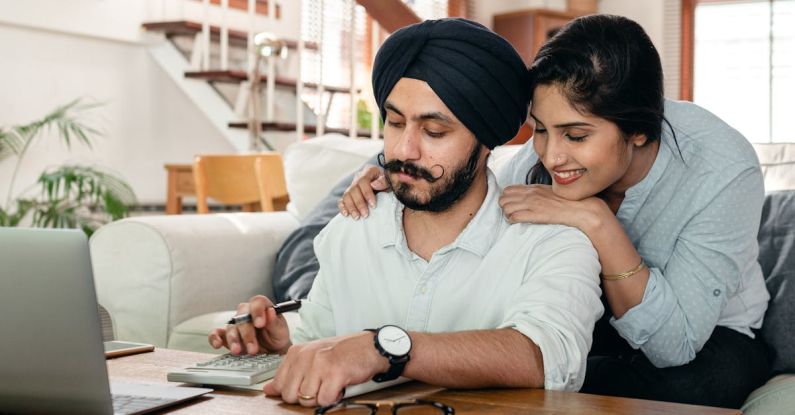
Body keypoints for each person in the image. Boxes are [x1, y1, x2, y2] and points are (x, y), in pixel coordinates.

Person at [338, 14, 771, 409]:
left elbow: (673, 344)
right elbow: (472, 195)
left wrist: (597, 222)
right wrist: (393, 175)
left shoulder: (723, 168)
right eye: (541, 130)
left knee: (698, 387)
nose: (551, 156)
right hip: (590, 320)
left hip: (706, 335)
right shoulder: (533, 164)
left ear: (639, 130)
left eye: (576, 136)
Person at [210, 17, 604, 408]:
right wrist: (282, 346)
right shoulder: (354, 225)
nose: (404, 150)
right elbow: (320, 341)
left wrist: (384, 348)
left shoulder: (553, 240)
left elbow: (548, 359)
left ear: (488, 140)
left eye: (434, 132)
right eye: (395, 123)